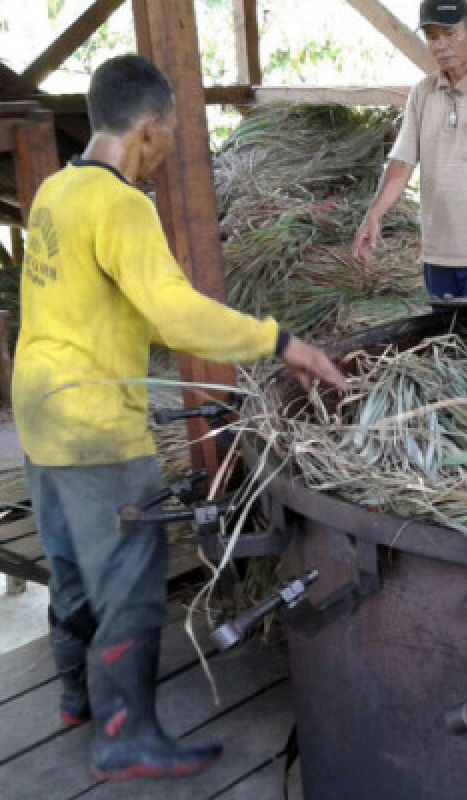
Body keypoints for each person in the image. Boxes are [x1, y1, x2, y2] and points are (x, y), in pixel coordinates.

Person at [12, 54, 348, 782]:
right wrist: (279, 342)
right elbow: (174, 314)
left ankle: (76, 697)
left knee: (71, 565)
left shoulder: (53, 193)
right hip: (96, 426)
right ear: (149, 129)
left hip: (38, 417)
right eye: (168, 134)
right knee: (130, 578)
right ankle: (126, 735)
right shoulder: (124, 205)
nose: (166, 151)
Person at [352, 0, 467, 298]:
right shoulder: (422, 94)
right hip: (437, 252)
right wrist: (373, 214)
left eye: (450, 34)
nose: (441, 45)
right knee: (445, 340)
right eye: (433, 37)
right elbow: (401, 163)